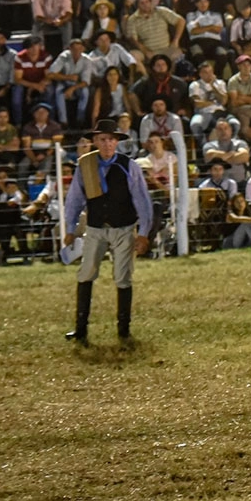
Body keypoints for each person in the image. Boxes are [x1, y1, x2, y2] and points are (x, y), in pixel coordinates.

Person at [61, 118, 154, 347]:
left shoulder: (128, 165)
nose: (107, 144)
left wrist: (143, 233)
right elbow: (74, 199)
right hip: (95, 228)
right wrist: (70, 229)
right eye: (103, 140)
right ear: (95, 141)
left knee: (123, 277)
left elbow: (142, 200)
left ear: (117, 142)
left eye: (111, 139)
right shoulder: (85, 165)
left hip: (123, 227)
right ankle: (80, 329)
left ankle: (124, 330)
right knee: (85, 274)